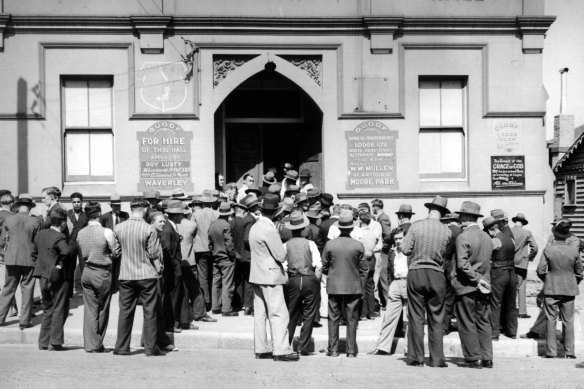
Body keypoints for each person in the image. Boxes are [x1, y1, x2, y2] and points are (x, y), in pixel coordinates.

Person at [401, 196, 452, 367]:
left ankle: (416, 357)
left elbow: (406, 249)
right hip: (437, 274)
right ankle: (437, 359)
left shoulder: (416, 225)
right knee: (436, 316)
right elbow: (446, 254)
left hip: (416, 272)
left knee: (415, 315)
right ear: (443, 213)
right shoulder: (447, 231)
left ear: (429, 210)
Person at [113, 198, 166, 356]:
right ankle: (150, 348)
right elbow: (154, 253)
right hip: (145, 274)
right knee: (150, 312)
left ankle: (121, 347)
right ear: (144, 209)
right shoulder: (149, 229)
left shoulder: (118, 227)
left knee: (125, 312)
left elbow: (116, 252)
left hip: (126, 274)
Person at [249, 193, 298, 362]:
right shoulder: (269, 229)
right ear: (276, 212)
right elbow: (281, 255)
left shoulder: (255, 226)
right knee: (278, 313)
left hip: (256, 274)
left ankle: (261, 349)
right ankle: (281, 350)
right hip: (270, 275)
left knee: (260, 314)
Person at [521, 218, 580, 339]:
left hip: (565, 279)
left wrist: (573, 282)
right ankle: (538, 331)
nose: (552, 228)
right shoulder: (553, 237)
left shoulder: (574, 241)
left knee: (563, 314)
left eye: (555, 226)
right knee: (546, 307)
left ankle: (555, 337)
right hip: (552, 277)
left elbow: (573, 262)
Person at [451, 202, 494, 369]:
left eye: (462, 215)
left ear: (468, 217)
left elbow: (462, 264)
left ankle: (472, 358)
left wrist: (476, 279)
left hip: (467, 285)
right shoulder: (486, 236)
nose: (460, 218)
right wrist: (482, 280)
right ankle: (487, 358)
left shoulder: (463, 237)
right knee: (483, 321)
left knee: (467, 321)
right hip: (484, 285)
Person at [76, 201, 121, 353]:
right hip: (102, 272)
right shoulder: (106, 231)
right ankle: (97, 343)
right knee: (102, 309)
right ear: (99, 213)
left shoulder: (80, 233)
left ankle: (90, 343)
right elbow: (115, 252)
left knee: (90, 309)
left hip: (87, 271)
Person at [322, 210, 367, 358]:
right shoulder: (358, 245)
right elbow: (364, 269)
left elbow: (324, 266)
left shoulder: (330, 245)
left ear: (339, 227)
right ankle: (351, 350)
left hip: (334, 285)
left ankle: (333, 349)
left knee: (333, 318)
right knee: (352, 319)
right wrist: (360, 285)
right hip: (353, 286)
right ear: (352, 228)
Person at [537, 220, 583, 359]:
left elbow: (540, 270)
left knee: (551, 319)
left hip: (552, 288)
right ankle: (570, 352)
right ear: (567, 236)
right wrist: (573, 282)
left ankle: (551, 352)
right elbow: (580, 272)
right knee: (568, 320)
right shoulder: (574, 251)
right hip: (569, 289)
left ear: (555, 235)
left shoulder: (548, 250)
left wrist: (548, 280)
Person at [0, 194, 42, 329]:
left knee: (8, 289)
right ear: (30, 207)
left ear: (17, 206)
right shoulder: (35, 221)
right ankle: (24, 321)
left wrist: (4, 253)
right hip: (29, 259)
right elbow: (38, 242)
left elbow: (2, 241)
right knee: (27, 290)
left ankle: (0, 317)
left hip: (12, 258)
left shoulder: (9, 220)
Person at [32, 207, 71, 351]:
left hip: (42, 276)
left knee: (47, 308)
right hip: (56, 277)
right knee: (59, 308)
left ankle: (43, 342)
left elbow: (34, 253)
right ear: (63, 222)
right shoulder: (59, 237)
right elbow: (66, 252)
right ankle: (55, 341)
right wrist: (59, 265)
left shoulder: (40, 234)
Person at [284, 210, 322, 355]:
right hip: (309, 278)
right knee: (309, 313)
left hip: (293, 279)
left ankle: (286, 344)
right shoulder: (310, 243)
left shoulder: (286, 245)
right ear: (303, 228)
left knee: (291, 313)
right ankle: (304, 346)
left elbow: (283, 266)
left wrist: (289, 282)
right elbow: (318, 265)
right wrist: (314, 280)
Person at [369, 228, 409, 356]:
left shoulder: (410, 252)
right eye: (396, 239)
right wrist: (391, 283)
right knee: (389, 317)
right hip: (396, 283)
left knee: (409, 319)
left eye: (400, 238)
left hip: (408, 283)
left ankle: (409, 349)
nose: (398, 241)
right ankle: (383, 348)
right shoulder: (392, 252)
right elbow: (390, 269)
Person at [176, 205, 214, 325]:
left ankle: (182, 317)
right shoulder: (190, 224)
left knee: (180, 290)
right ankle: (199, 313)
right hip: (189, 260)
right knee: (195, 289)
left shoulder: (169, 225)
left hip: (176, 261)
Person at [485, 209, 517, 340]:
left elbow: (488, 256)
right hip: (511, 272)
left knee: (495, 302)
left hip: (499, 273)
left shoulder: (495, 240)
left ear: (492, 229)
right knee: (511, 303)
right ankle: (512, 331)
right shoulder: (510, 238)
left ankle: (494, 332)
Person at [160, 200, 188, 331]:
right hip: (172, 269)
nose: (183, 216)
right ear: (176, 215)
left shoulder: (172, 227)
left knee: (177, 296)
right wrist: (173, 268)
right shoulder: (167, 229)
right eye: (181, 214)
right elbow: (167, 251)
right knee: (172, 298)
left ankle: (176, 322)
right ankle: (170, 324)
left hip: (175, 268)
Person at [208, 202, 238, 317]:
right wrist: (232, 255)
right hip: (226, 257)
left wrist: (213, 252)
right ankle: (226, 309)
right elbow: (229, 243)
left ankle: (215, 307)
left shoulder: (213, 224)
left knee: (216, 281)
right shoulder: (226, 225)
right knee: (227, 282)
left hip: (215, 256)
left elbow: (209, 242)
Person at [191, 194, 218, 311]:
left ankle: (206, 301)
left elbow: (191, 229)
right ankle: (215, 301)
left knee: (202, 275)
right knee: (215, 275)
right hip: (214, 248)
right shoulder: (216, 214)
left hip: (200, 248)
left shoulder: (196, 214)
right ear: (212, 203)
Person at [510, 213, 539, 319]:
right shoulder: (527, 232)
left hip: (510, 263)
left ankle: (510, 310)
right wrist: (530, 257)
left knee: (510, 287)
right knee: (521, 286)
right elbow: (535, 247)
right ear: (523, 223)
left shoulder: (509, 231)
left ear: (515, 221)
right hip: (522, 263)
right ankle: (522, 312)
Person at [238, 195, 259, 316]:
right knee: (251, 281)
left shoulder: (246, 218)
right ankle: (250, 306)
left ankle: (247, 306)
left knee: (247, 281)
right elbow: (247, 238)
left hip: (245, 255)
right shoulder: (250, 219)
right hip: (249, 255)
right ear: (254, 207)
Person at [442, 213, 463, 334]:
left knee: (447, 297)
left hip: (447, 267)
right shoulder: (462, 232)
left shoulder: (447, 232)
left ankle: (445, 325)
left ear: (449, 220)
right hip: (459, 268)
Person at [359, 211, 381, 320]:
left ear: (360, 220)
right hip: (371, 258)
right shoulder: (373, 233)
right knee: (370, 286)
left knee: (362, 285)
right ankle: (371, 312)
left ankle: (363, 313)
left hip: (362, 259)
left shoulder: (358, 232)